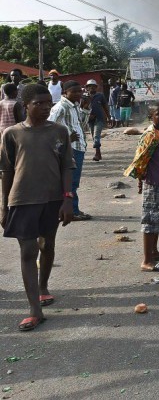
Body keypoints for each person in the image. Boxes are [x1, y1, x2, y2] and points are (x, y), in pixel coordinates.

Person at [0, 84, 74, 331]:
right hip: (22, 199)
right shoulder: (12, 134)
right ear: (25, 106)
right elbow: (7, 171)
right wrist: (4, 206)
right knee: (28, 251)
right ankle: (35, 309)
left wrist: (67, 198)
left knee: (47, 244)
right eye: (38, 104)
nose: (45, 108)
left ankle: (43, 287)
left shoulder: (59, 132)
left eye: (47, 103)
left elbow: (66, 166)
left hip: (52, 199)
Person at [124, 102, 159, 272]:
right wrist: (140, 178)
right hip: (154, 183)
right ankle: (147, 260)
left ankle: (154, 251)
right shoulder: (151, 135)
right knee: (151, 220)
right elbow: (141, 158)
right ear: (151, 117)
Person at [49, 81, 91, 221]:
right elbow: (48, 127)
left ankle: (71, 209)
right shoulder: (60, 107)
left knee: (74, 181)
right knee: (71, 181)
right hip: (70, 149)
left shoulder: (75, 106)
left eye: (80, 91)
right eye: (74, 91)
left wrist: (85, 109)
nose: (78, 94)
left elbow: (81, 125)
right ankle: (72, 211)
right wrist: (66, 139)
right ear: (65, 92)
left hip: (78, 147)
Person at [85, 79, 108, 161]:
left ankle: (98, 154)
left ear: (96, 87)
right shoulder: (84, 96)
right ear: (87, 87)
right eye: (90, 86)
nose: (92, 88)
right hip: (89, 120)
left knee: (96, 135)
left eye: (94, 86)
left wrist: (109, 117)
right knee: (94, 138)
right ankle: (98, 153)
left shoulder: (100, 96)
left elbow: (105, 106)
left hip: (99, 118)